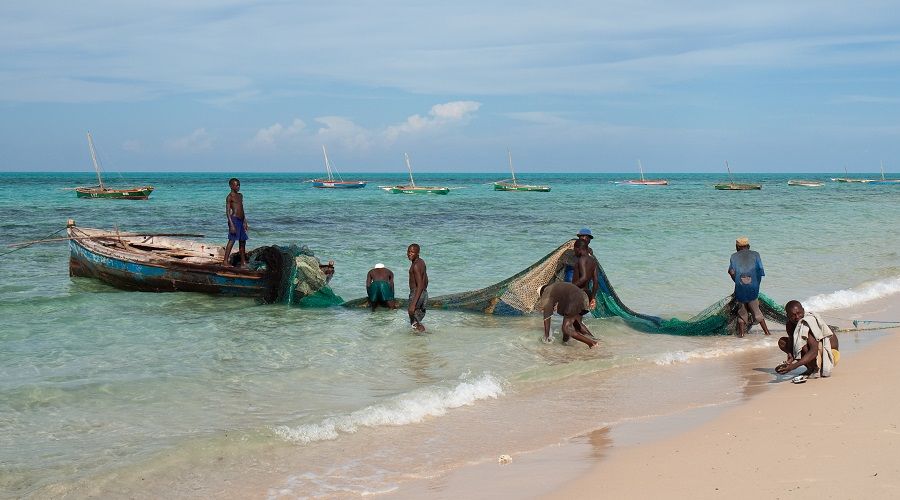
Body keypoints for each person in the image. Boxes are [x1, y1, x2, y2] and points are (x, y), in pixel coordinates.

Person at [776, 300, 840, 380]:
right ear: (788, 316)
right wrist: (790, 356)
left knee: (802, 343)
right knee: (782, 342)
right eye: (793, 315)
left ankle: (816, 369)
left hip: (831, 355)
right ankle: (810, 368)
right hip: (817, 351)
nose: (797, 317)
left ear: (803, 310)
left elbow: (814, 351)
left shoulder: (807, 323)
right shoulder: (789, 325)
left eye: (799, 313)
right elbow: (793, 345)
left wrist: (793, 367)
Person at [727, 237, 772, 337]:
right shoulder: (756, 254)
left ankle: (742, 335)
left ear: (737, 247)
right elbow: (760, 271)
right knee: (756, 310)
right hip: (753, 287)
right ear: (748, 246)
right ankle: (767, 333)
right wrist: (756, 285)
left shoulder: (733, 256)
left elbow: (731, 272)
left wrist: (738, 282)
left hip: (740, 288)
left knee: (742, 312)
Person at [538, 282, 598, 349]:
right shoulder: (555, 288)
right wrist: (564, 342)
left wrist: (546, 337)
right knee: (576, 325)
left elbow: (547, 317)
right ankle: (595, 339)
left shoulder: (547, 292)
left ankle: (592, 343)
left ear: (542, 293)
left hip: (575, 299)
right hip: (584, 297)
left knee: (566, 328)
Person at [224, 177, 248, 267]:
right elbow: (227, 212)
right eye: (236, 185)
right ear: (231, 186)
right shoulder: (230, 197)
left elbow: (242, 209)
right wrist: (231, 224)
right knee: (232, 240)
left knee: (242, 241)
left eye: (239, 185)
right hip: (234, 220)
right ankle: (225, 261)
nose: (238, 187)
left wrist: (245, 221)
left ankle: (243, 262)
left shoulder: (240, 195)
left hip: (241, 220)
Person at [571, 239, 599, 310]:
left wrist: (570, 287)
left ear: (578, 249)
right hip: (587, 294)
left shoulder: (582, 259)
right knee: (578, 315)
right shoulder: (593, 261)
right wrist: (593, 297)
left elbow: (584, 277)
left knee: (568, 316)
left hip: (578, 292)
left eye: (574, 249)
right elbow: (596, 281)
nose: (574, 252)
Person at [407, 244, 428, 332]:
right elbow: (426, 280)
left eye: (412, 252)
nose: (409, 254)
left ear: (418, 253)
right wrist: (424, 293)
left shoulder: (415, 266)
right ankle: (422, 336)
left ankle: (421, 335)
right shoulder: (421, 262)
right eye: (408, 251)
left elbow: (419, 285)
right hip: (423, 293)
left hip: (417, 293)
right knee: (416, 320)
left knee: (414, 321)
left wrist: (413, 304)